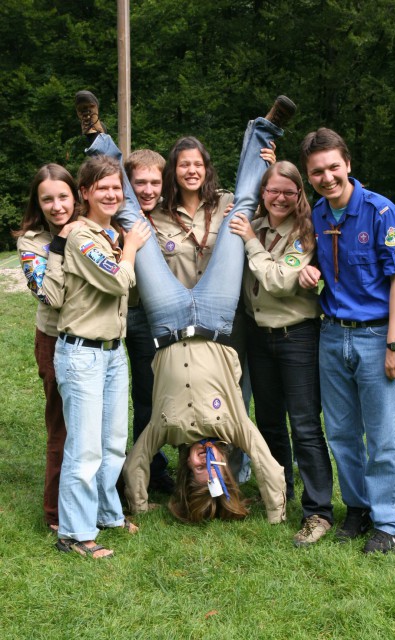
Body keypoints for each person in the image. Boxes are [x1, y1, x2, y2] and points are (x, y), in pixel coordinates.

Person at [78, 90, 281, 485]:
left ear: (207, 168)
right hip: (204, 313)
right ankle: (266, 128)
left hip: (189, 316)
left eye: (197, 163)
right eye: (183, 164)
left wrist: (270, 169)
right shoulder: (162, 210)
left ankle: (95, 139)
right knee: (135, 211)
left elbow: (271, 200)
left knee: (236, 205)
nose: (191, 170)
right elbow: (124, 205)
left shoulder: (218, 203)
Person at [298, 128, 395, 554]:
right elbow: (306, 260)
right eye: (317, 171)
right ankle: (358, 507)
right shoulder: (318, 214)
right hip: (332, 336)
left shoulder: (380, 211)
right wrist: (304, 271)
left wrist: (394, 343)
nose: (327, 177)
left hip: (374, 337)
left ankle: (388, 520)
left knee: (382, 436)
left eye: (333, 167)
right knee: (342, 433)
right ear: (309, 176)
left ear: (347, 164)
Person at [49, 154, 150, 558]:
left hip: (112, 352)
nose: (111, 194)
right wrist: (131, 249)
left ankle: (107, 513)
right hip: (82, 354)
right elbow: (118, 281)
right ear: (85, 193)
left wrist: (125, 243)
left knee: (112, 444)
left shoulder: (110, 233)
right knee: (85, 447)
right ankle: (73, 533)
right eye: (101, 188)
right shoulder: (81, 237)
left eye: (116, 188)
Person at [229, 160, 334, 546]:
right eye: (273, 190)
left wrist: (251, 243)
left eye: (290, 192)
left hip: (297, 337)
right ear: (263, 192)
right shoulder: (253, 226)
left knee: (304, 425)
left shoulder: (305, 233)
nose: (280, 198)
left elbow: (277, 281)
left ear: (299, 195)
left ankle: (318, 511)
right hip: (259, 337)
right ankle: (280, 491)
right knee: (270, 422)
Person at [75, 91, 174, 492]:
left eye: (155, 182)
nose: (147, 190)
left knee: (151, 396)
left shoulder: (170, 217)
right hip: (109, 316)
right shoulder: (106, 213)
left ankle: (152, 466)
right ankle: (105, 474)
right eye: (139, 183)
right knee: (105, 399)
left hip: (152, 317)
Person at [14, 164, 83, 531]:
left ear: (75, 196)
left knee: (94, 427)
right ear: (37, 204)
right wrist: (60, 243)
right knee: (62, 425)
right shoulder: (30, 242)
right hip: (55, 338)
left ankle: (101, 503)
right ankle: (56, 513)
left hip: (93, 338)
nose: (57, 206)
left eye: (63, 196)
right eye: (47, 200)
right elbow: (48, 295)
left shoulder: (91, 228)